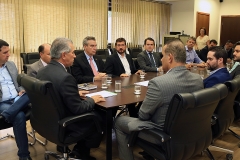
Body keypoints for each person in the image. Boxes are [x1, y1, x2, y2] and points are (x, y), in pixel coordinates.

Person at [114, 39, 204, 160]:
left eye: (163, 56)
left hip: (162, 134)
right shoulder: (198, 79)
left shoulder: (158, 83)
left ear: (170, 58)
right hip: (189, 131)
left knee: (119, 121)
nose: (161, 59)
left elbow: (143, 115)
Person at [37, 37, 106, 160]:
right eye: (73, 52)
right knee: (99, 117)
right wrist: (93, 99)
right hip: (64, 124)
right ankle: (82, 154)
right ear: (64, 55)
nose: (75, 56)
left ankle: (78, 150)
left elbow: (54, 92)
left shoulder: (42, 71)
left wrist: (74, 93)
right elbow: (78, 109)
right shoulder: (65, 77)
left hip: (46, 122)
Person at [0, 39, 31, 160]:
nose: (8, 55)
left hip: (18, 98)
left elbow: (19, 82)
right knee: (19, 116)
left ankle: (8, 114)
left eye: (9, 52)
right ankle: (24, 156)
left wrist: (22, 89)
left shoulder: (11, 64)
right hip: (3, 102)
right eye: (5, 52)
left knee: (32, 92)